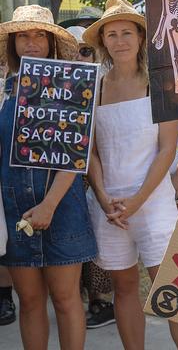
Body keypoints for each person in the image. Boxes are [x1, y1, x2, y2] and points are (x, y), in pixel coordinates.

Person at [82, 0, 178, 350]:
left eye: (127, 33)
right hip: (110, 207)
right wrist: (103, 197)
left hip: (153, 203)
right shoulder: (95, 87)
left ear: (140, 37)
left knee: (169, 292)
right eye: (112, 34)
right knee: (124, 289)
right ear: (103, 41)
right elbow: (91, 150)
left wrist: (136, 201)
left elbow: (167, 149)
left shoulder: (159, 84)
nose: (120, 41)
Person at [0, 4, 97, 350]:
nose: (31, 42)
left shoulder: (69, 84)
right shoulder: (3, 90)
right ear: (12, 43)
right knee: (28, 301)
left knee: (67, 300)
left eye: (39, 35)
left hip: (62, 206)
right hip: (14, 209)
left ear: (51, 42)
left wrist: (49, 205)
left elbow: (74, 154)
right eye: (23, 35)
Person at [67, 25, 117, 329]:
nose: (78, 56)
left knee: (100, 240)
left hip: (103, 171)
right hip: (70, 174)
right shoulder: (56, 83)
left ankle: (102, 301)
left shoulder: (107, 84)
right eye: (71, 51)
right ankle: (78, 299)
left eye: (85, 50)